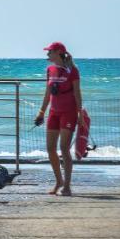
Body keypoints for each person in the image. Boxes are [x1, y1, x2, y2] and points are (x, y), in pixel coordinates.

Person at [35, 41, 82, 196]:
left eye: (50, 52)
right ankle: (59, 181)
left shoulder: (72, 71)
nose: (47, 55)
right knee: (50, 148)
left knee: (64, 148)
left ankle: (67, 186)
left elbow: (77, 93)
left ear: (58, 53)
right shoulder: (50, 69)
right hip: (54, 113)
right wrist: (41, 112)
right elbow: (48, 93)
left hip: (68, 113)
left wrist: (80, 113)